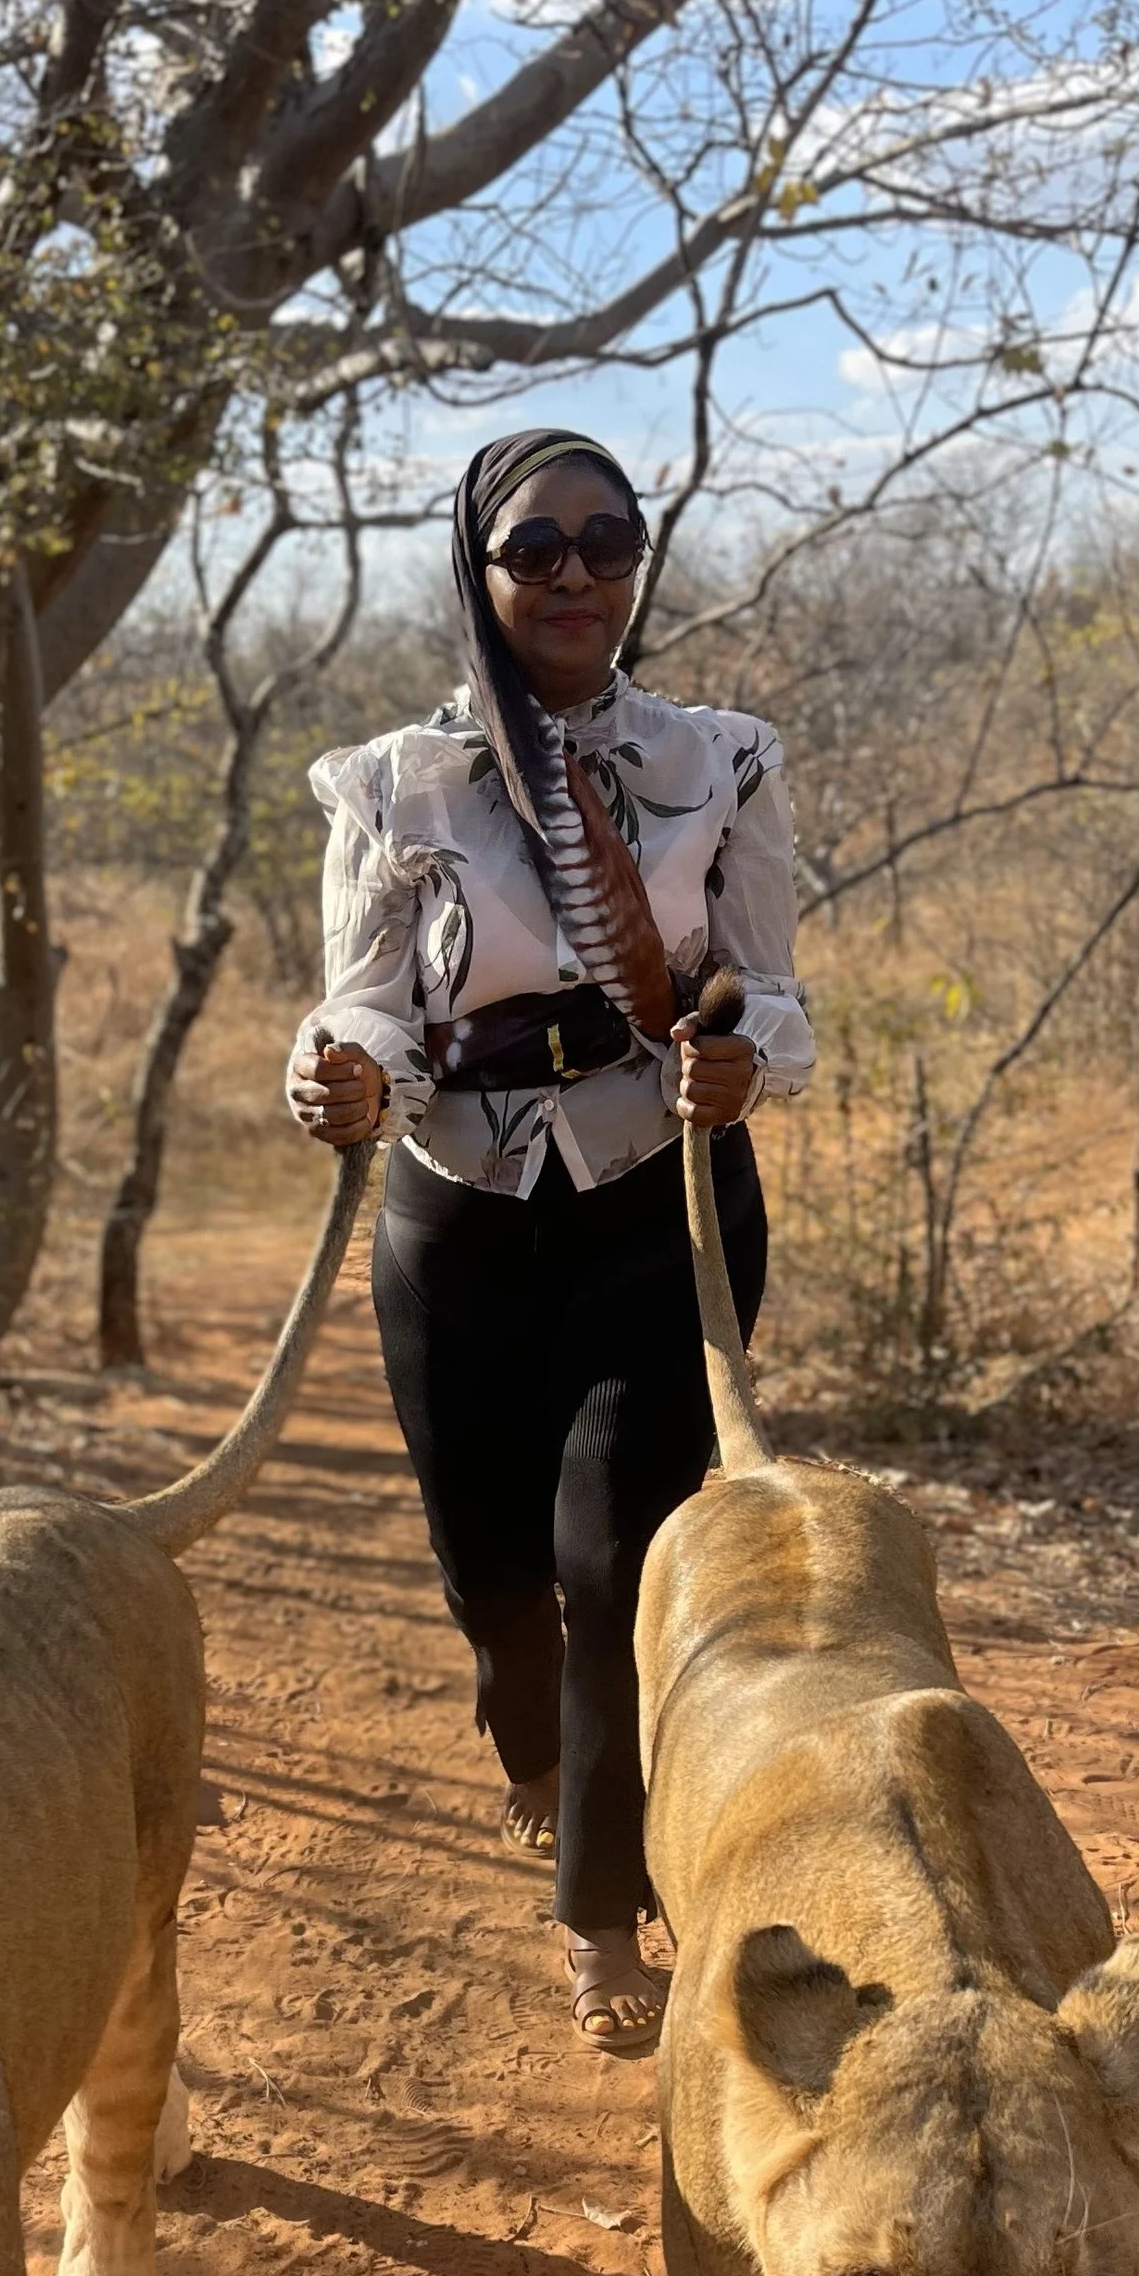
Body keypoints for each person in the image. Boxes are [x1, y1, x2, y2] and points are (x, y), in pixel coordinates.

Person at [285, 428, 815, 2051]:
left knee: (612, 1568)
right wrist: (343, 1068)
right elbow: (363, 991)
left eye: (609, 540)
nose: (576, 573)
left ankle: (603, 1908)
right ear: (479, 567)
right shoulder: (394, 784)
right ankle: (534, 1756)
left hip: (660, 1197)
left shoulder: (722, 761)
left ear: (641, 562)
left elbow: (775, 990)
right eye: (538, 548)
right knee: (495, 1579)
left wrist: (745, 1057)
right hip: (459, 1208)